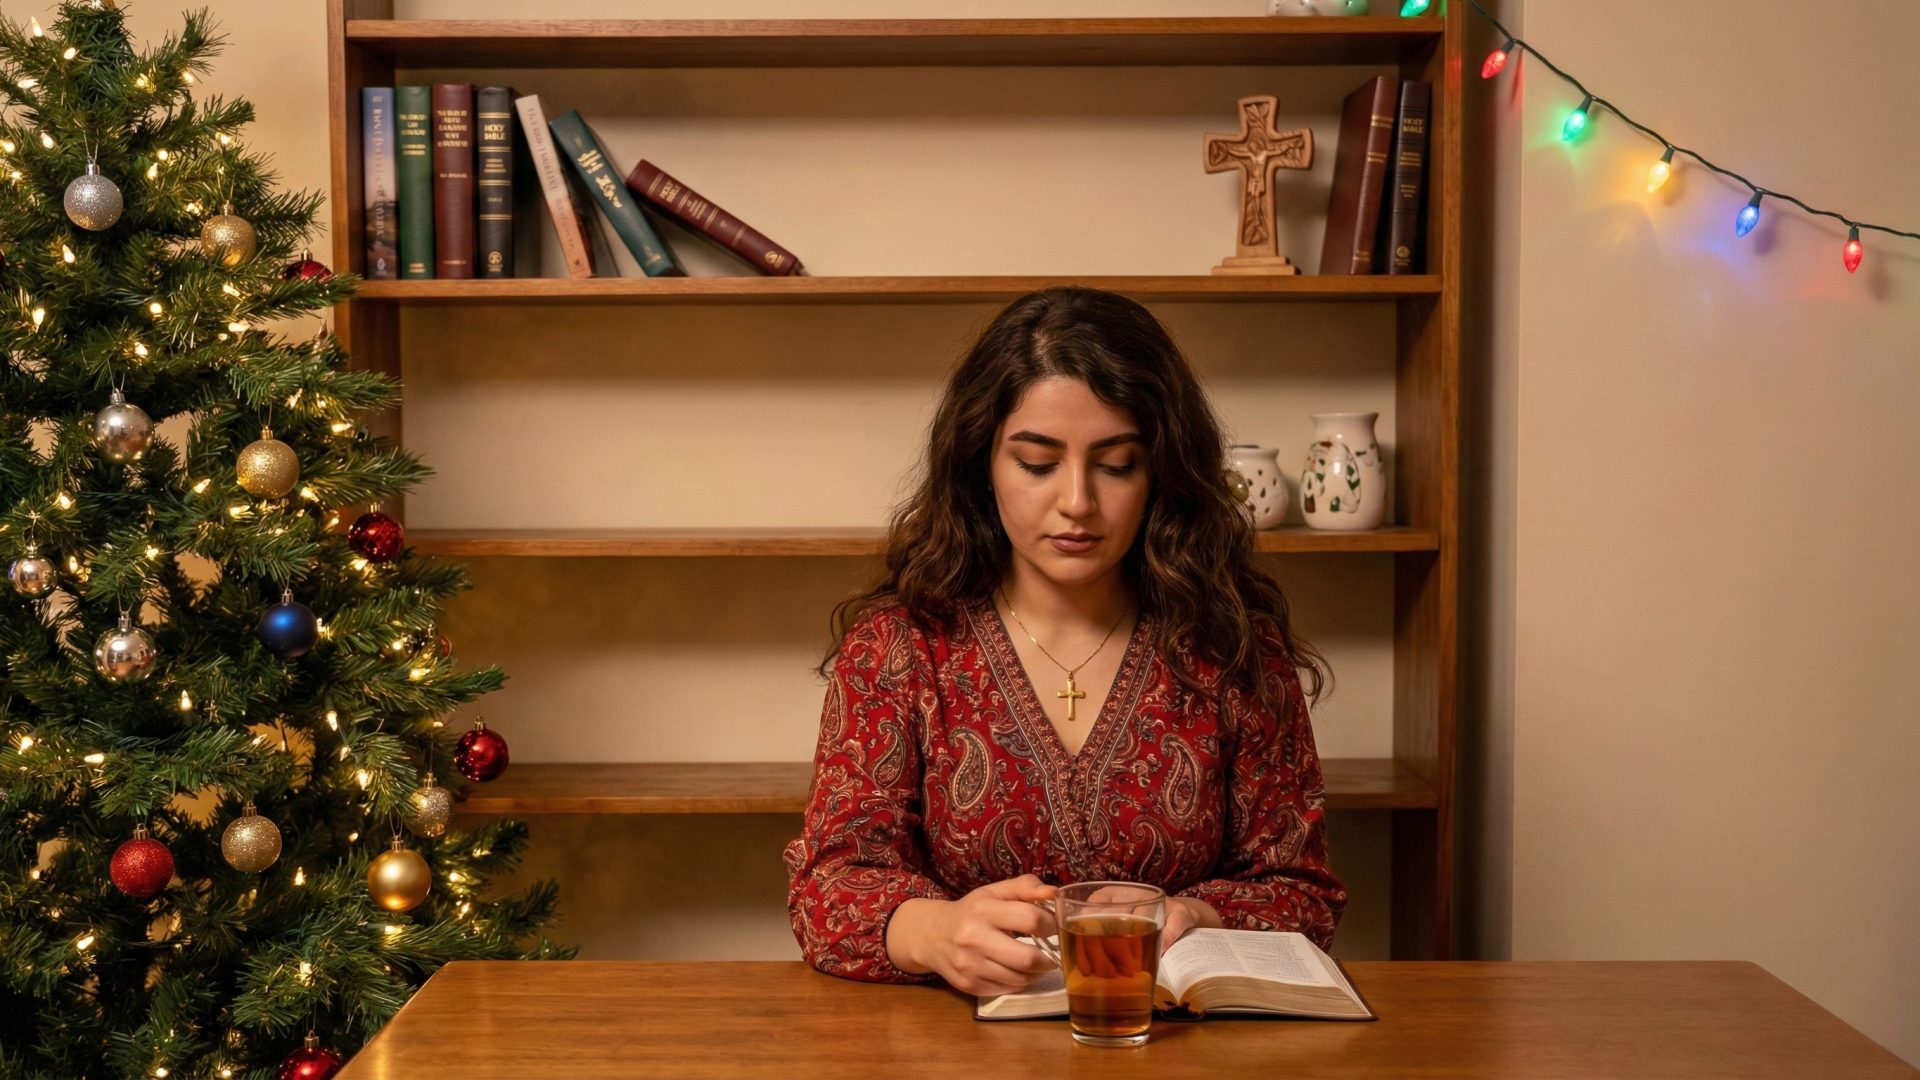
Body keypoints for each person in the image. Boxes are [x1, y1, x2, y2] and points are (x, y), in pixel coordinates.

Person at [783, 286, 1346, 996]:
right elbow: (827, 888)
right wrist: (932, 932)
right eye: (1038, 463)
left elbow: (1304, 896)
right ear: (981, 465)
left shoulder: (1233, 649)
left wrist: (1197, 915)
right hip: (954, 1053)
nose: (1077, 501)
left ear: (1161, 473)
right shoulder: (901, 648)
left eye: (1116, 465)